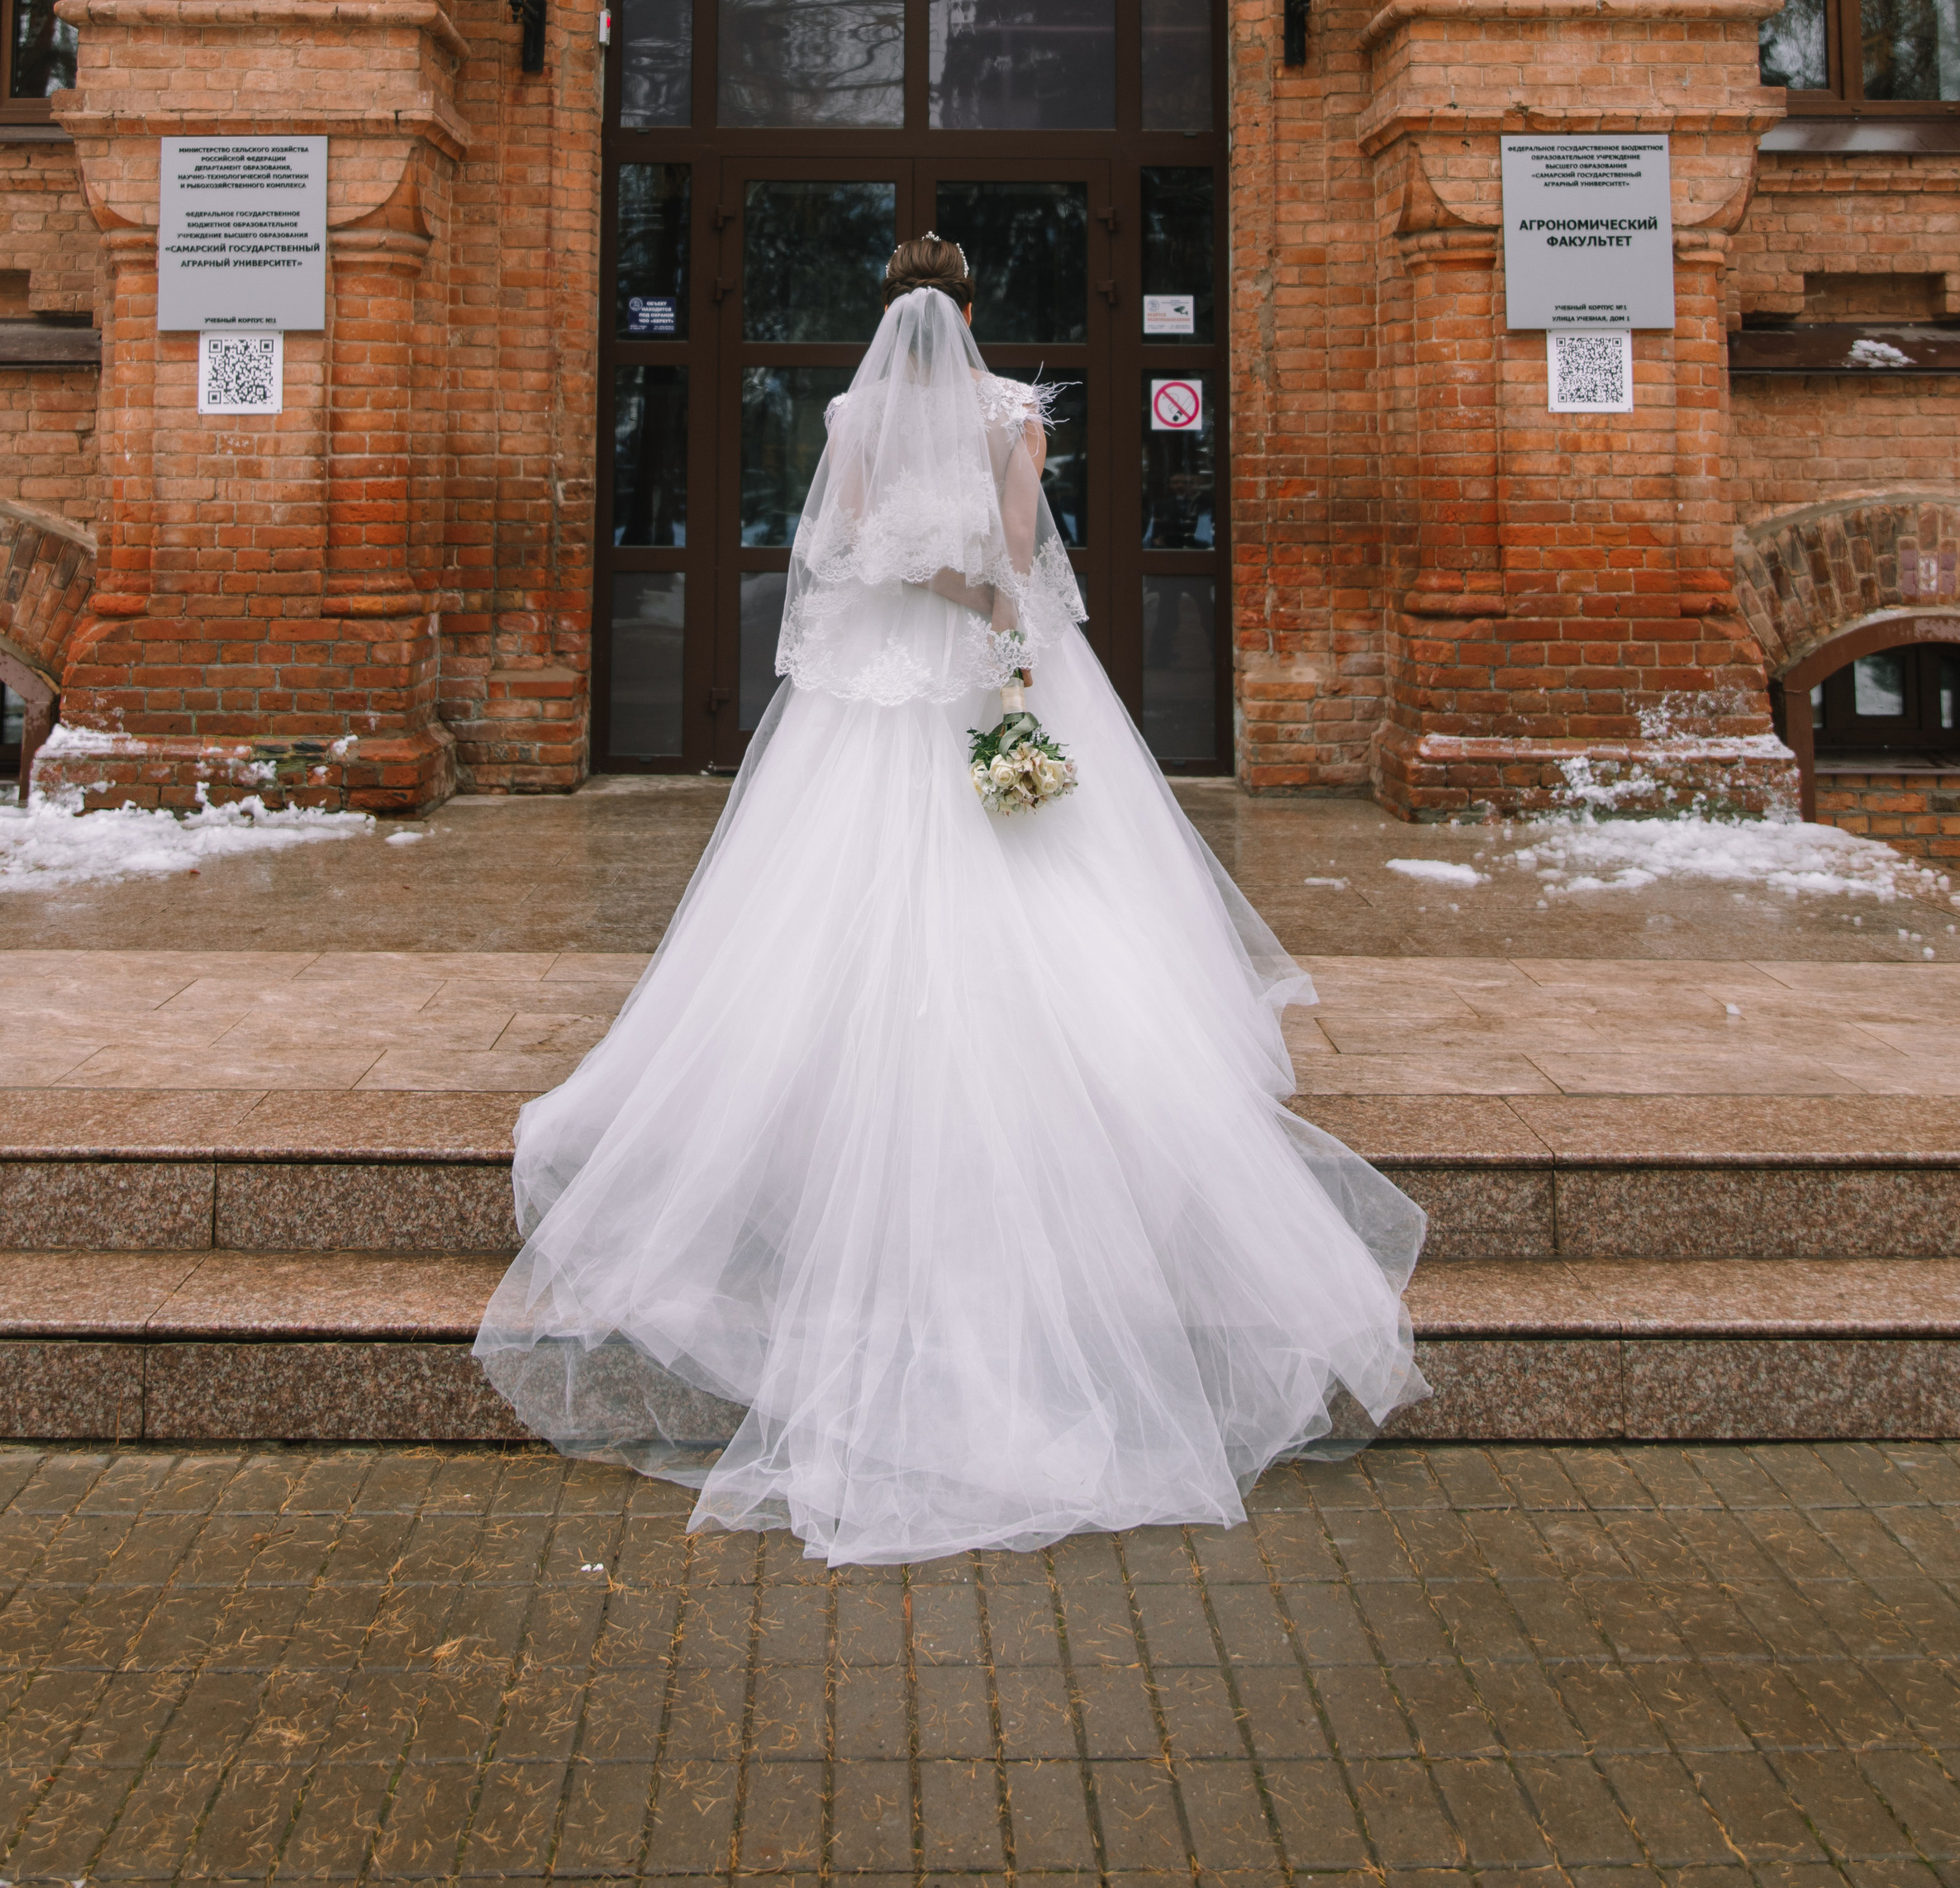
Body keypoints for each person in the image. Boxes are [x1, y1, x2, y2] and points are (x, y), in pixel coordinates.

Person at [475, 235, 1426, 1564]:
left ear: (885, 320)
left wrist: (931, 580)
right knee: (1038, 879)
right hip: (981, 658)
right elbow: (1025, 558)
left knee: (825, 890)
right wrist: (991, 618)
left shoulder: (855, 414)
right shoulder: (1012, 411)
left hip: (873, 684)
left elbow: (847, 543)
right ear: (972, 313)